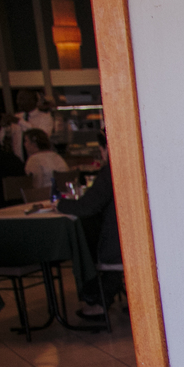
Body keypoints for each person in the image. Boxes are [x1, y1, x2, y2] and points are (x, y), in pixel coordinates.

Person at [56, 132, 121, 320]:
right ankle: (102, 299)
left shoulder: (113, 171)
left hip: (121, 246)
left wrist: (59, 204)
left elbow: (87, 207)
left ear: (104, 149)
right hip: (142, 240)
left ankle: (98, 302)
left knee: (90, 246)